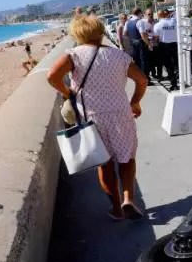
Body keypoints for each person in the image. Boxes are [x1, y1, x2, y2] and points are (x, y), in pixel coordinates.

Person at [46, 16, 148, 220]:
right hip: (120, 114)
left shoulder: (73, 56)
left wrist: (68, 93)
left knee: (105, 163)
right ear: (101, 32)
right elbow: (142, 80)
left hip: (92, 117)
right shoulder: (119, 56)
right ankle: (128, 198)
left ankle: (117, 210)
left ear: (77, 34)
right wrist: (135, 101)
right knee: (127, 158)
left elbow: (51, 77)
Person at [153, 9, 179, 91]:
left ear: (159, 16)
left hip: (164, 46)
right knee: (176, 64)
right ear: (168, 14)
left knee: (168, 66)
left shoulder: (157, 25)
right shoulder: (174, 21)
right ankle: (179, 81)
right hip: (175, 45)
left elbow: (156, 38)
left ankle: (174, 83)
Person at [124, 8, 149, 83]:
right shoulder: (139, 21)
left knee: (136, 60)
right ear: (139, 13)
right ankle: (145, 79)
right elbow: (143, 35)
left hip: (132, 42)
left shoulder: (127, 22)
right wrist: (148, 43)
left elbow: (124, 34)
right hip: (140, 42)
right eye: (141, 13)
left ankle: (138, 78)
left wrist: (132, 37)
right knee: (143, 61)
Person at [138, 8, 157, 81]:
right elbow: (143, 34)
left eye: (152, 13)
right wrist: (148, 43)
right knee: (148, 60)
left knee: (155, 59)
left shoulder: (155, 22)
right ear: (145, 15)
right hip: (147, 43)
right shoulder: (143, 23)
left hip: (155, 43)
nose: (151, 15)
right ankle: (148, 75)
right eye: (149, 14)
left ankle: (155, 74)